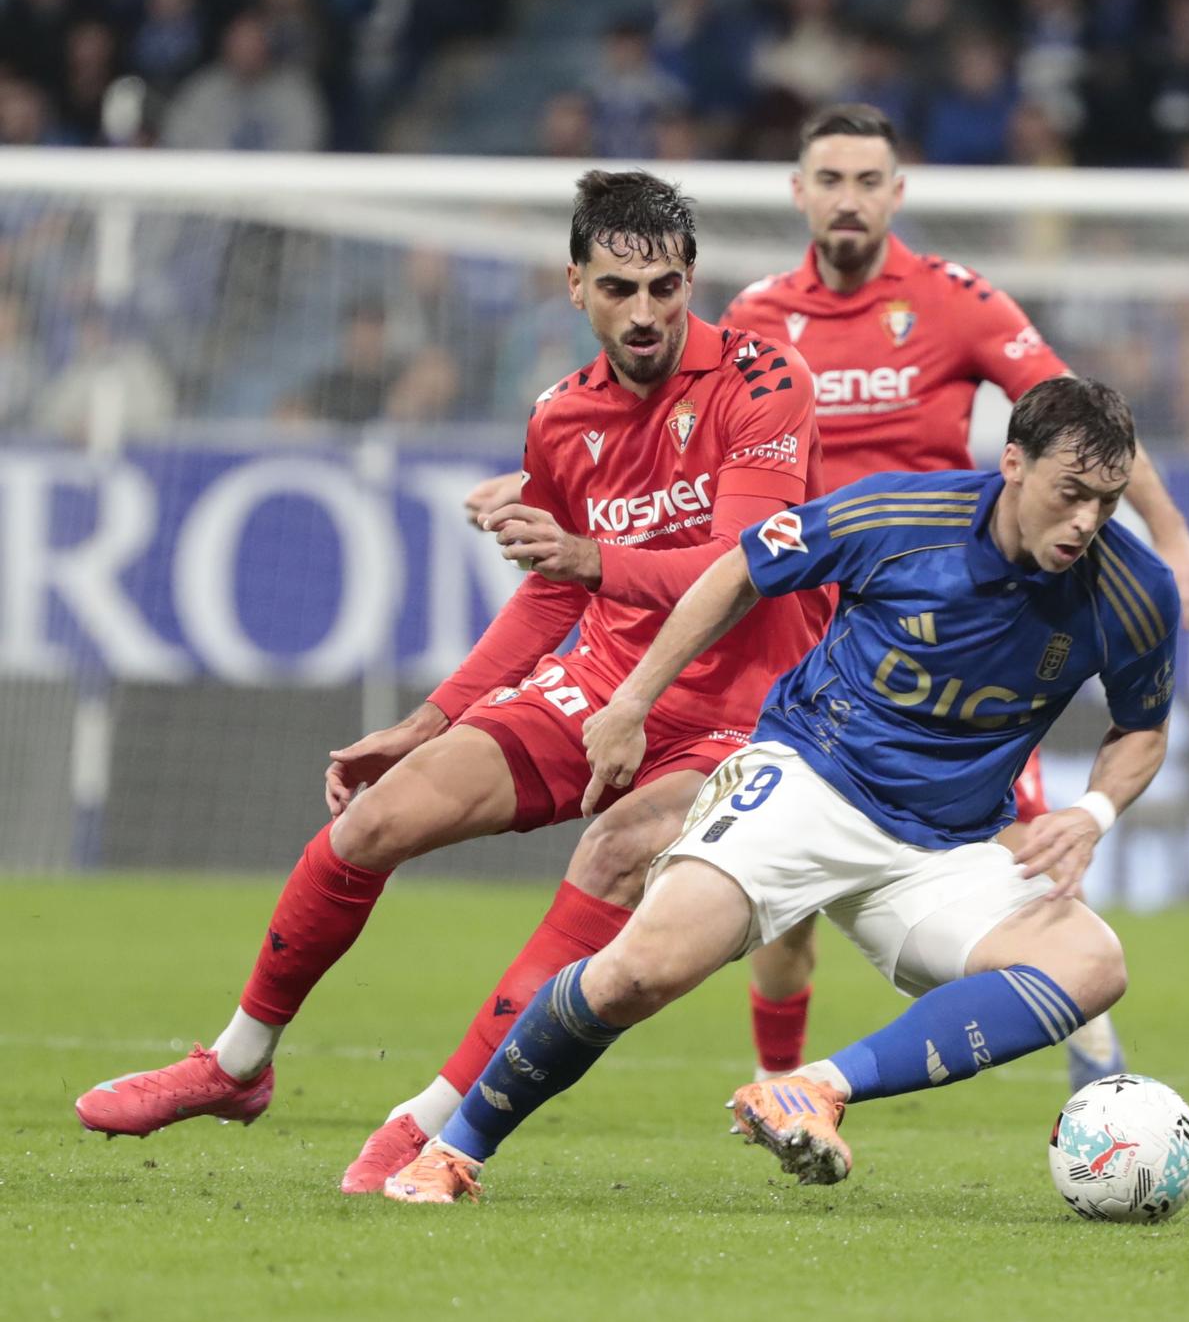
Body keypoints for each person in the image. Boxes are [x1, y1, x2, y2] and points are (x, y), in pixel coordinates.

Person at [73, 173, 829, 1195]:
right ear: (575, 286)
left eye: (663, 287)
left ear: (691, 280)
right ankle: (236, 1065)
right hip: (601, 682)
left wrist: (592, 562)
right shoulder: (560, 416)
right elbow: (551, 593)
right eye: (618, 289)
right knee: (375, 820)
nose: (644, 312)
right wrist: (430, 718)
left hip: (748, 713)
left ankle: (430, 1124)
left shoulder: (762, 378)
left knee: (613, 854)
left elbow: (745, 566)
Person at [463, 103, 1189, 1093]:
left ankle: (1092, 1072)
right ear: (799, 193)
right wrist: (547, 486)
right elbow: (667, 428)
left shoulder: (956, 301)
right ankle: (780, 1087)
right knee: (773, 886)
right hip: (803, 613)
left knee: (1031, 861)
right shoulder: (759, 317)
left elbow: (1079, 431)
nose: (849, 198)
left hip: (950, 618)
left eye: (868, 180)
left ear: (896, 194)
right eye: (831, 179)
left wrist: (1172, 537)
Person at [384, 375, 1176, 1203]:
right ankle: (453, 1150)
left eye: (1108, 501)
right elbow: (741, 567)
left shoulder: (1133, 591)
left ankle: (814, 1088)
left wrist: (1094, 812)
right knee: (637, 974)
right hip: (809, 784)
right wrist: (633, 701)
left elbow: (1143, 728)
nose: (1086, 521)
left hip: (945, 848)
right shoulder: (900, 517)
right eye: (1070, 493)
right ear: (1013, 463)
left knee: (1092, 963)